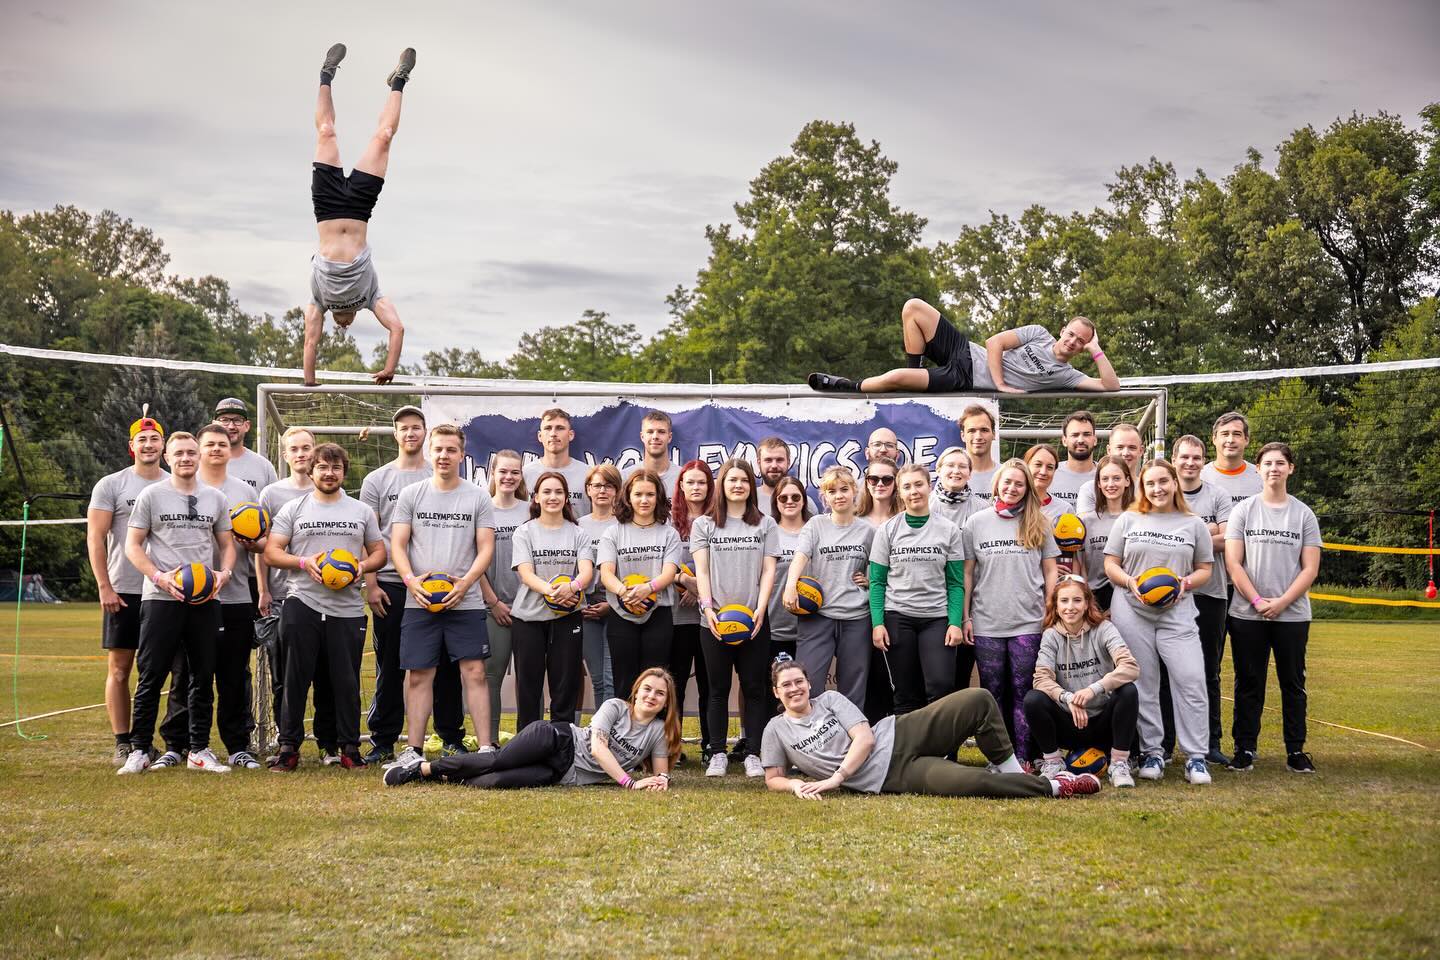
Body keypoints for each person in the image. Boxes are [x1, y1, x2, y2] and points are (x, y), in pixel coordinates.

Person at [762, 657, 1099, 800]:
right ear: (776, 692)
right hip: (891, 778)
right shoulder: (776, 730)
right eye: (786, 685)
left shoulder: (830, 698)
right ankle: (1053, 788)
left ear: (808, 683)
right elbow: (772, 777)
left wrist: (837, 778)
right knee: (975, 782)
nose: (795, 689)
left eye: (799, 681)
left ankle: (1011, 770)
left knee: (978, 698)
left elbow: (864, 737)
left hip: (899, 733)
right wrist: (794, 786)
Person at [117, 432, 237, 775]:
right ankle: (139, 750)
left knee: (203, 675)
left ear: (198, 456)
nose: (186, 458)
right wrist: (159, 577)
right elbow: (133, 546)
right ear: (168, 458)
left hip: (204, 598)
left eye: (191, 452)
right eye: (179, 453)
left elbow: (227, 545)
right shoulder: (151, 495)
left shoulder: (214, 497)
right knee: (151, 675)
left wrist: (223, 574)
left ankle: (199, 749)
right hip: (161, 597)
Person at [264, 443, 386, 770]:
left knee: (345, 681)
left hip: (345, 607)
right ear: (311, 470)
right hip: (301, 602)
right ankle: (288, 748)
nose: (329, 473)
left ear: (344, 472)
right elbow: (272, 552)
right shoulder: (294, 509)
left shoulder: (360, 511)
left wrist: (360, 567)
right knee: (295, 678)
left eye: (335, 468)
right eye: (322, 467)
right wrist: (304, 562)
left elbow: (379, 554)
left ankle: (349, 748)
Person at [387, 424, 497, 776]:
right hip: (420, 600)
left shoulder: (477, 496)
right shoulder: (412, 495)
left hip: (464, 601)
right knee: (419, 675)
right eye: (439, 450)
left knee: (475, 672)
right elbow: (398, 545)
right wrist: (410, 582)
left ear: (461, 455)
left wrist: (465, 583)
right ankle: (413, 751)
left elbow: (486, 548)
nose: (444, 456)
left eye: (451, 450)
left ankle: (484, 749)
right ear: (429, 452)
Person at [301, 43, 412, 387]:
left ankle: (325, 75)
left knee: (326, 132)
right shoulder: (370, 297)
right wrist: (390, 368)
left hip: (328, 207)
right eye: (348, 325)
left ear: (338, 318)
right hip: (361, 208)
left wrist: (309, 381)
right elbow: (397, 328)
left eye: (342, 324)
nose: (345, 323)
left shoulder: (319, 301)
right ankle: (400, 81)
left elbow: (310, 341)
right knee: (384, 137)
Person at [359, 406, 464, 764]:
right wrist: (371, 585)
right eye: (403, 428)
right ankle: (384, 739)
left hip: (440, 585)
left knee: (446, 665)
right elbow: (369, 537)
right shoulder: (378, 480)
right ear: (395, 434)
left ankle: (451, 736)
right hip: (394, 583)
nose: (410, 434)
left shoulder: (441, 476)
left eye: (416, 428)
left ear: (426, 434)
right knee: (391, 664)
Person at [1103, 459, 1215, 785]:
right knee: (1143, 683)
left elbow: (1205, 569)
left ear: (1175, 483)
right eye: (1150, 483)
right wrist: (1130, 583)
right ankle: (1153, 751)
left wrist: (1186, 584)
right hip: (1131, 609)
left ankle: (1196, 757)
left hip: (1177, 613)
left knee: (1191, 678)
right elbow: (1111, 563)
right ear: (1142, 487)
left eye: (1163, 482)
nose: (1157, 489)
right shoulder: (1129, 519)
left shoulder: (1193, 524)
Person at [385, 667, 678, 790]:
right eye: (648, 689)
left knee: (492, 782)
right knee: (498, 760)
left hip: (563, 773)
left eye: (659, 694)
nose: (652, 696)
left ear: (666, 703)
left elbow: (660, 772)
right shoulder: (615, 706)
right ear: (637, 691)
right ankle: (421, 769)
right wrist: (629, 783)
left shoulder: (656, 732)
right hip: (557, 740)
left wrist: (659, 781)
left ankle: (448, 776)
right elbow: (598, 747)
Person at [1224, 442, 1322, 774]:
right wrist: (1257, 601)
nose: (1274, 469)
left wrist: (1280, 603)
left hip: (1291, 615)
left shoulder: (1303, 513)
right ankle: (1244, 749)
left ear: (1290, 469)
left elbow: (1309, 569)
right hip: (1247, 613)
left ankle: (1296, 751)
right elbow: (1234, 564)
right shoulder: (1244, 511)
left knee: (1292, 682)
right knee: (1249, 682)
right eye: (1267, 463)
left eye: (1280, 463)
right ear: (1258, 468)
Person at [962, 459, 1060, 765]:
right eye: (1007, 482)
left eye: (1019, 483)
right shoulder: (976, 522)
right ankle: (999, 759)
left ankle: (1025, 757)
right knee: (993, 693)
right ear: (996, 485)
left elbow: (1051, 568)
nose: (1012, 488)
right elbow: (967, 573)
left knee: (1022, 691)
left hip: (1027, 621)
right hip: (987, 621)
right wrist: (965, 616)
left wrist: (1050, 604)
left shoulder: (1039, 522)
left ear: (1027, 487)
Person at [807, 300, 1119, 395]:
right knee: (913, 308)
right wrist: (1001, 384)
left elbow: (1111, 386)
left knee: (893, 378)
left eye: (1081, 341)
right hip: (966, 350)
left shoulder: (1066, 375)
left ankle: (848, 386)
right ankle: (914, 374)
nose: (1073, 341)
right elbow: (994, 343)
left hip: (964, 376)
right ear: (1063, 330)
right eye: (1072, 334)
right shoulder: (1038, 334)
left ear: (1081, 348)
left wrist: (1097, 349)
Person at [88, 413, 168, 765]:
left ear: (163, 445)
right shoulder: (112, 485)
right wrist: (104, 585)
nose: (148, 445)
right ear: (131, 446)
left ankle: (172, 742)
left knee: (172, 671)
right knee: (121, 669)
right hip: (125, 589)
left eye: (154, 439)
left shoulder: (177, 483)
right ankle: (124, 741)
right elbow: (95, 538)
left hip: (168, 590)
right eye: (142, 440)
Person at [255, 426, 339, 758]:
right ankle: (284, 734)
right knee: (285, 675)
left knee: (326, 675)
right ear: (286, 455)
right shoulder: (272, 494)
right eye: (295, 449)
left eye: (307, 447)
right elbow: (262, 547)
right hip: (281, 596)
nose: (302, 453)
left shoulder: (334, 493)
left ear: (315, 451)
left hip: (326, 596)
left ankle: (328, 742)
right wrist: (262, 589)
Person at [693, 459, 780, 778]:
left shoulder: (765, 524)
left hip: (754, 620)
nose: (738, 485)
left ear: (750, 486)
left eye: (744, 480)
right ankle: (717, 752)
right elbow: (701, 570)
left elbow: (769, 569)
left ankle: (754, 752)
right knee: (717, 689)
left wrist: (761, 608)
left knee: (755, 687)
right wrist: (707, 608)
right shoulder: (704, 524)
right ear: (722, 485)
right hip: (714, 622)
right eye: (732, 480)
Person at [1024, 576, 1140, 788]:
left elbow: (1130, 667)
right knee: (1033, 699)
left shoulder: (1104, 629)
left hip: (1103, 722)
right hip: (1069, 723)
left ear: (1087, 603)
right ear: (1056, 606)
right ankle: (1053, 763)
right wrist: (1068, 698)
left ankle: (1119, 764)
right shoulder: (1051, 635)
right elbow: (1041, 679)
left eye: (1077, 600)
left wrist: (1094, 689)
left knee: (1128, 691)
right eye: (1064, 601)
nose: (1070, 607)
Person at [869, 464, 966, 715]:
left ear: (930, 486)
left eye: (919, 484)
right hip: (897, 617)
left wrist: (955, 622)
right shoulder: (887, 530)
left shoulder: (949, 530)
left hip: (936, 619)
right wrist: (877, 623)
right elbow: (877, 582)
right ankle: (909, 751)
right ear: (899, 492)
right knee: (905, 691)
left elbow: (956, 583)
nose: (914, 491)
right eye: (907, 486)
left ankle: (942, 750)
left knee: (941, 686)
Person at [196, 423, 264, 769]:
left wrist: (254, 543)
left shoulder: (244, 491)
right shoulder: (184, 487)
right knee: (191, 675)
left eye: (222, 444)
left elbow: (260, 544)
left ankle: (238, 746)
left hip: (236, 594)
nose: (217, 449)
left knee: (234, 675)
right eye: (210, 444)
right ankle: (188, 745)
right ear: (199, 449)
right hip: (191, 598)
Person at [510, 473, 595, 730]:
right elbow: (525, 573)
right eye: (546, 492)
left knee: (565, 685)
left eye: (558, 492)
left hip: (567, 617)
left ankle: (562, 742)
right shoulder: (524, 532)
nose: (552, 497)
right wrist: (552, 591)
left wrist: (573, 586)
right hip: (528, 619)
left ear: (566, 497)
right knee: (528, 686)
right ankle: (527, 742)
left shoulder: (578, 533)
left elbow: (587, 572)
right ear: (535, 497)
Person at [785, 466, 874, 711]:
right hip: (818, 617)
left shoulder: (867, 530)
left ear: (855, 491)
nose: (839, 495)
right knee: (808, 684)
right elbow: (801, 557)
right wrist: (791, 584)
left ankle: (850, 744)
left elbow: (878, 568)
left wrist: (869, 579)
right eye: (832, 491)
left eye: (844, 489)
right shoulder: (815, 525)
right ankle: (812, 740)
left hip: (856, 617)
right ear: (824, 496)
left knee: (852, 689)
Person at [1174, 433, 1234, 766]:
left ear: (1203, 460)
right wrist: (1205, 531)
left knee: (1208, 672)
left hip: (1211, 594)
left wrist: (1186, 534)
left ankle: (1210, 742)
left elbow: (1229, 539)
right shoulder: (1162, 490)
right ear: (1174, 460)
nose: (1191, 463)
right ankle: (1165, 744)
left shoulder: (1218, 495)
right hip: (1171, 596)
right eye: (1184, 457)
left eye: (1196, 457)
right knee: (1167, 673)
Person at [597, 470, 682, 704]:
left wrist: (649, 588)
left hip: (658, 615)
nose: (644, 500)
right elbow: (606, 573)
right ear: (628, 497)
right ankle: (624, 736)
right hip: (622, 614)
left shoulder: (669, 534)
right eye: (638, 494)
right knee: (624, 681)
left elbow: (669, 572)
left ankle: (653, 737)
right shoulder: (613, 532)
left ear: (658, 498)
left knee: (655, 681)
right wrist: (625, 593)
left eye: (650, 495)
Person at [477, 449, 530, 746]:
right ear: (492, 474)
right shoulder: (482, 509)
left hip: (529, 609)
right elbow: (475, 561)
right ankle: (491, 741)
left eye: (515, 472)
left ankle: (527, 740)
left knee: (528, 679)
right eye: (503, 472)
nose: (509, 477)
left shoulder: (530, 510)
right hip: (492, 608)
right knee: (491, 677)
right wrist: (493, 602)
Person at [669, 460, 714, 759]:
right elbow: (659, 564)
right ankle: (674, 747)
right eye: (691, 482)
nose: (696, 488)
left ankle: (712, 743)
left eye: (702, 482)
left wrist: (701, 590)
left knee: (711, 684)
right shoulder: (668, 523)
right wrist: (684, 582)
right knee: (676, 685)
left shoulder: (718, 522)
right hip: (675, 616)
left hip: (708, 615)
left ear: (710, 487)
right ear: (681, 486)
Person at [577, 464, 621, 710]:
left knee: (611, 677)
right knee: (597, 679)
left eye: (609, 485)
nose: (602, 490)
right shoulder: (578, 525)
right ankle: (598, 736)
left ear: (617, 490)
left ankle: (613, 734)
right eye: (597, 485)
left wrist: (613, 605)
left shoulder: (624, 524)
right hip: (586, 609)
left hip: (617, 606)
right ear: (588, 490)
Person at [1077, 455, 1134, 611]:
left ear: (1127, 481)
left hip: (1128, 595)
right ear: (1099, 484)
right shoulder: (1087, 521)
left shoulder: (1138, 520)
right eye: (1105, 479)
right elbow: (1080, 563)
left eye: (1116, 478)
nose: (1111, 484)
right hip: (1093, 599)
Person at [767, 476, 812, 668]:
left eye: (795, 497)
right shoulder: (768, 532)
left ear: (804, 500)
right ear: (775, 501)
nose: (790, 502)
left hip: (811, 627)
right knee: (769, 690)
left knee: (805, 688)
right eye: (783, 498)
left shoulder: (815, 530)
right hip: (774, 625)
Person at [523, 408, 591, 516]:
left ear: (571, 435)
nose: (553, 433)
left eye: (560, 428)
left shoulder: (588, 474)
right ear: (540, 436)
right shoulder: (525, 474)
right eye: (548, 428)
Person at [213, 398, 279, 496]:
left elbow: (274, 506)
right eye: (224, 420)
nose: (231, 426)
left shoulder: (264, 467)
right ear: (214, 425)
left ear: (247, 426)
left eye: (237, 420)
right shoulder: (200, 464)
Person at [1076, 423, 1144, 515]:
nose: (1125, 453)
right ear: (1109, 450)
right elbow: (1085, 526)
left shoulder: (1147, 490)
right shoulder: (1090, 490)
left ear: (1141, 451)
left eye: (1132, 447)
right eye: (1120, 447)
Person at [1201, 411, 1262, 508]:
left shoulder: (1261, 477)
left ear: (1246, 439)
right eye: (1225, 434)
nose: (1230, 440)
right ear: (1214, 439)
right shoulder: (1200, 477)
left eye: (1237, 434)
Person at [621, 410, 680, 496]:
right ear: (642, 436)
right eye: (650, 432)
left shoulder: (683, 477)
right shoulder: (626, 477)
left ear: (670, 437)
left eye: (661, 432)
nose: (655, 436)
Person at [1049, 411, 1098, 514]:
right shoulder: (1049, 474)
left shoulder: (1106, 477)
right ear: (1064, 440)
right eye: (1075, 435)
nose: (1080, 440)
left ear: (1095, 439)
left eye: (1086, 434)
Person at [755, 437, 819, 514]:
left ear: (788, 462)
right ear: (759, 463)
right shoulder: (748, 501)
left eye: (779, 460)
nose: (774, 465)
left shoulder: (806, 504)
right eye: (768, 460)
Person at [929, 446, 981, 531]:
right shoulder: (924, 506)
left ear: (970, 473)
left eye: (962, 466)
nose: (956, 471)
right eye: (950, 465)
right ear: (938, 470)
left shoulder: (981, 509)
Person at [959, 405, 999, 506]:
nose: (978, 437)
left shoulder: (1006, 475)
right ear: (963, 436)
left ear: (994, 434)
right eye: (972, 431)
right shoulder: (952, 477)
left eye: (984, 430)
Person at [1024, 443, 1066, 525]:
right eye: (1038, 465)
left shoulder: (1064, 509)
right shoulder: (1011, 505)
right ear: (1026, 466)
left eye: (1050, 467)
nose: (1043, 472)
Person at [857, 458, 900, 526]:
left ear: (895, 484)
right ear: (867, 483)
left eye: (887, 479)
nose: (880, 484)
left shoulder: (903, 520)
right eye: (874, 479)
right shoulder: (854, 520)